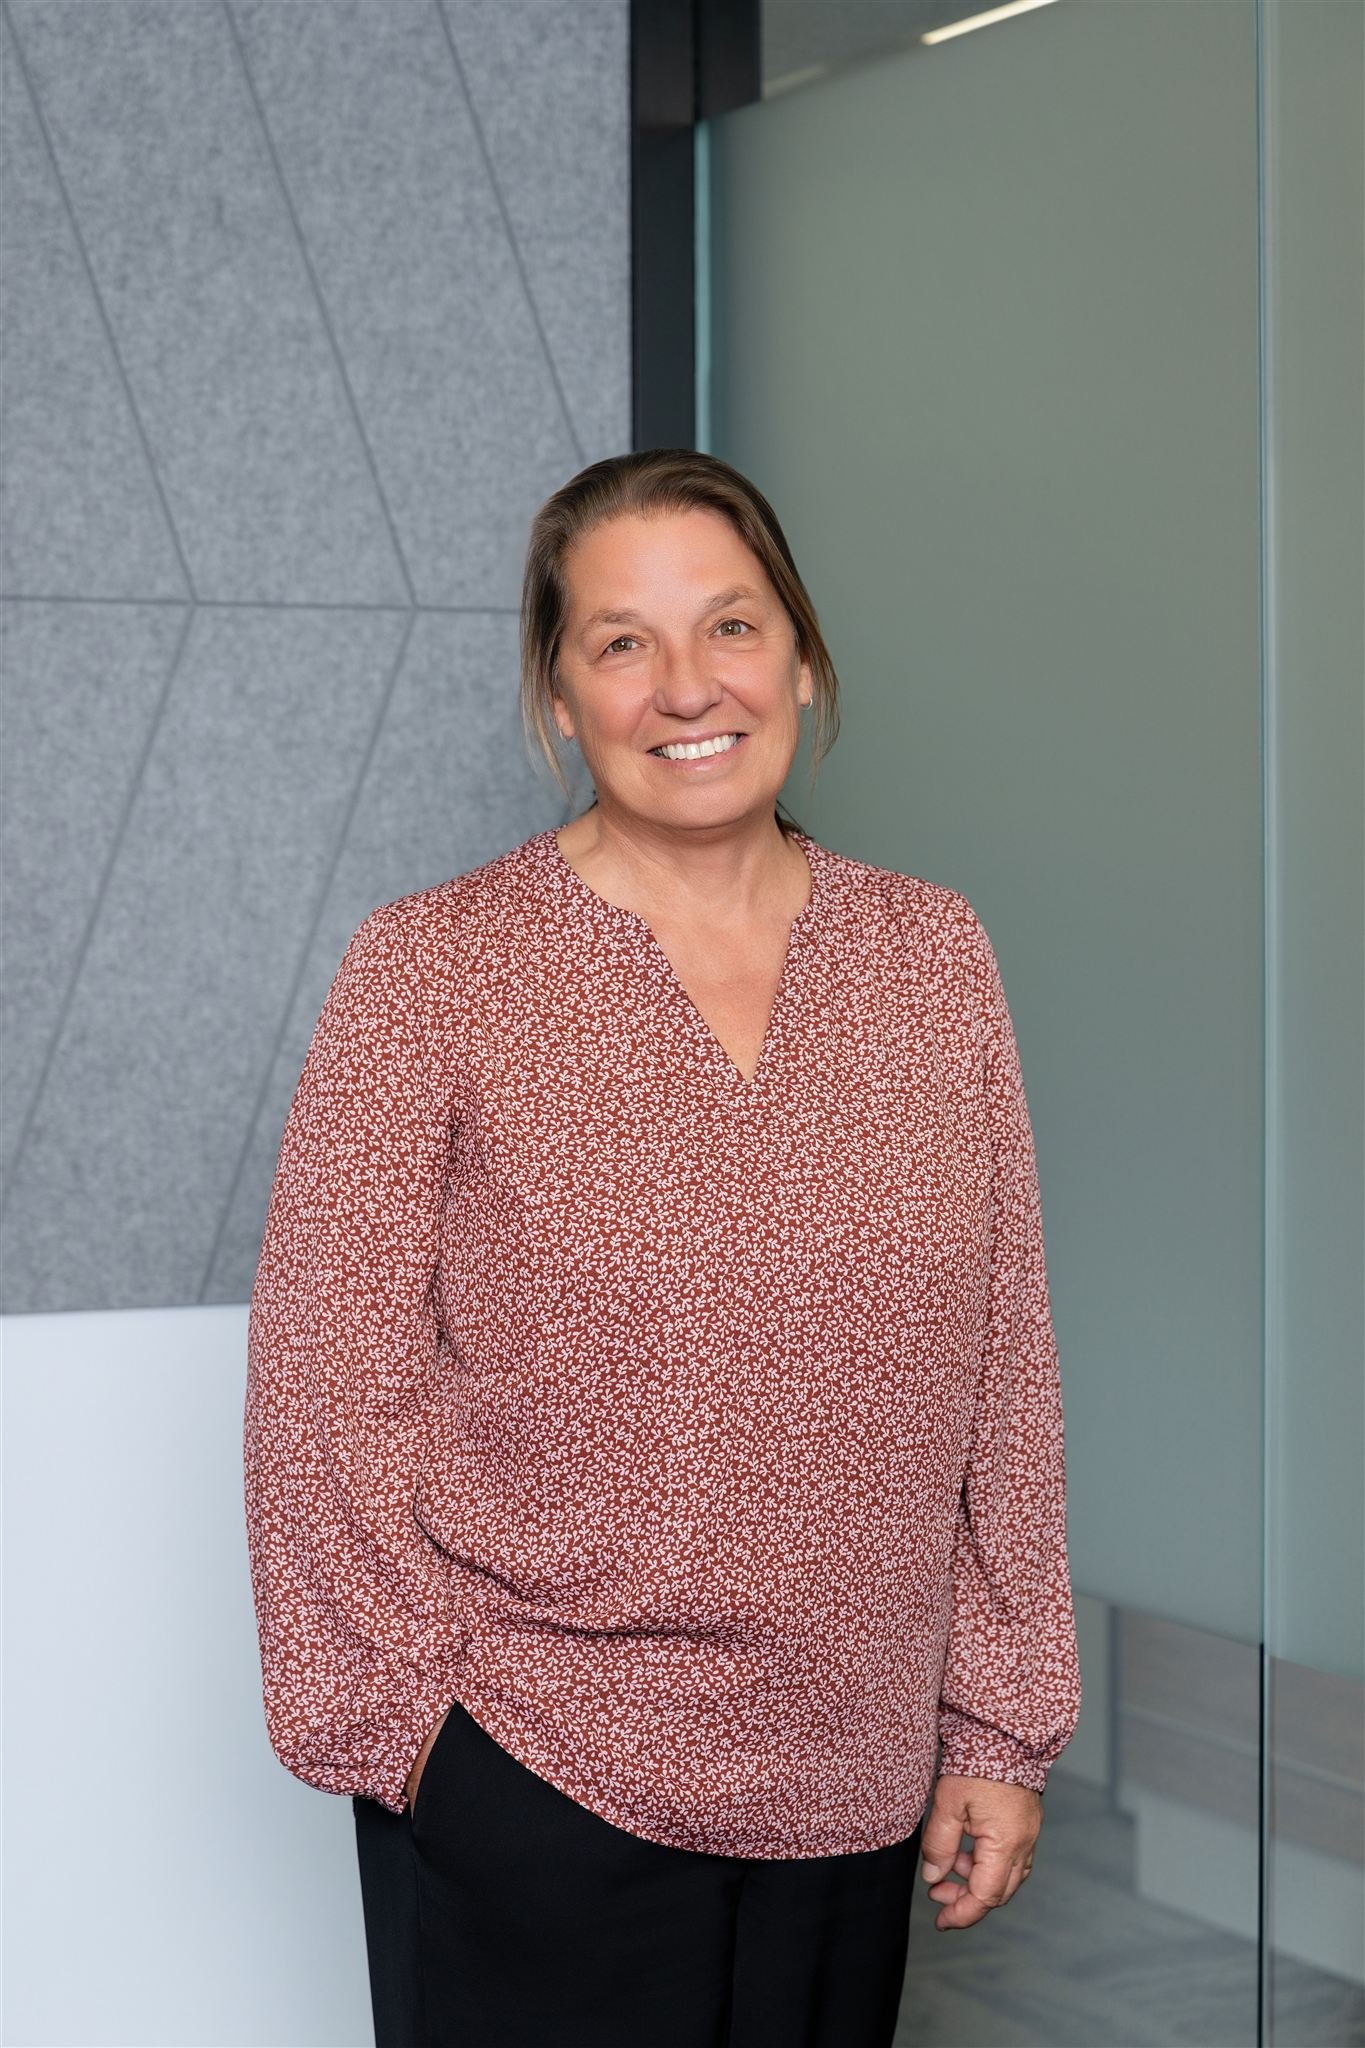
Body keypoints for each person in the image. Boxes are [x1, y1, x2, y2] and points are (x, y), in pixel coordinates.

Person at [243, 448, 1083, 2048]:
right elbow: (322, 1392)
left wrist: (997, 1724)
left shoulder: (930, 955)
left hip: (851, 1778)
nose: (685, 685)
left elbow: (1003, 1366)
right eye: (620, 641)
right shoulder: (434, 969)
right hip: (538, 1776)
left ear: (805, 657)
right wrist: (418, 1738)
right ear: (558, 697)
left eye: (732, 626)